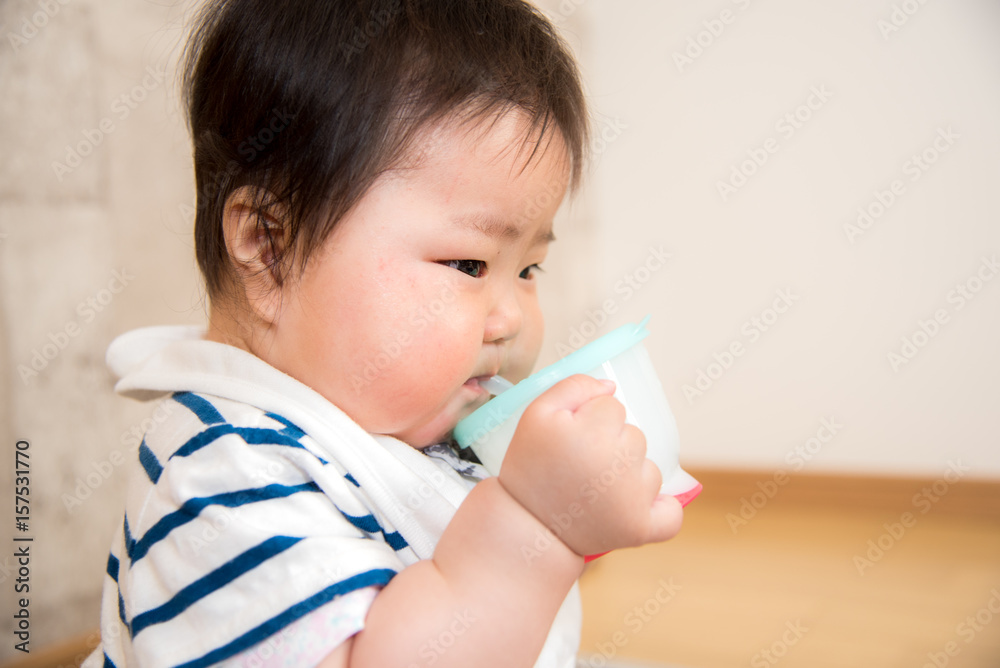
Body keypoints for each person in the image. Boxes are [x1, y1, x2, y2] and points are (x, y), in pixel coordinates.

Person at [84, 0, 684, 666]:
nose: (512, 318)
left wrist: (575, 503)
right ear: (269, 249)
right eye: (468, 265)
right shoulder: (225, 476)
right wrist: (534, 528)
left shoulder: (404, 425)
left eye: (528, 269)